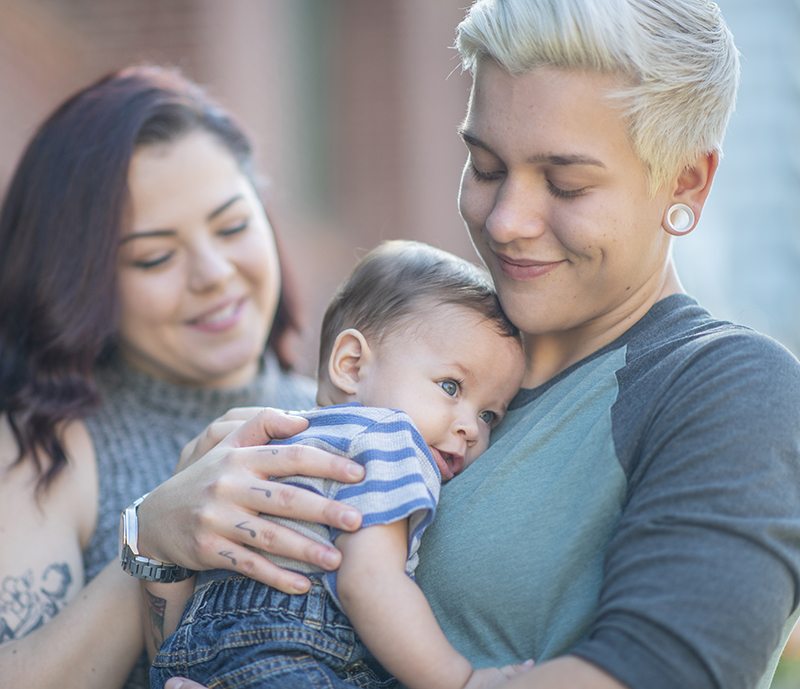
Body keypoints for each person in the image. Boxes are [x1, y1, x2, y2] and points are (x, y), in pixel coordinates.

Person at [134, 2, 800, 689]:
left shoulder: (731, 388)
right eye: (484, 166)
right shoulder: (406, 370)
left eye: (566, 183)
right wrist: (158, 545)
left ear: (686, 180)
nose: (507, 221)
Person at [0, 65, 333, 689]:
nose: (212, 273)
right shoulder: (43, 447)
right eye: (155, 256)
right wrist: (150, 538)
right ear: (82, 285)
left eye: (232, 226)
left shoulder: (343, 410)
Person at [144, 239, 527, 689]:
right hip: (295, 647)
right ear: (351, 365)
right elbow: (367, 580)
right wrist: (460, 681)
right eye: (450, 386)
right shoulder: (391, 437)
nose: (470, 428)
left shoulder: (274, 441)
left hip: (190, 653)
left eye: (489, 415)